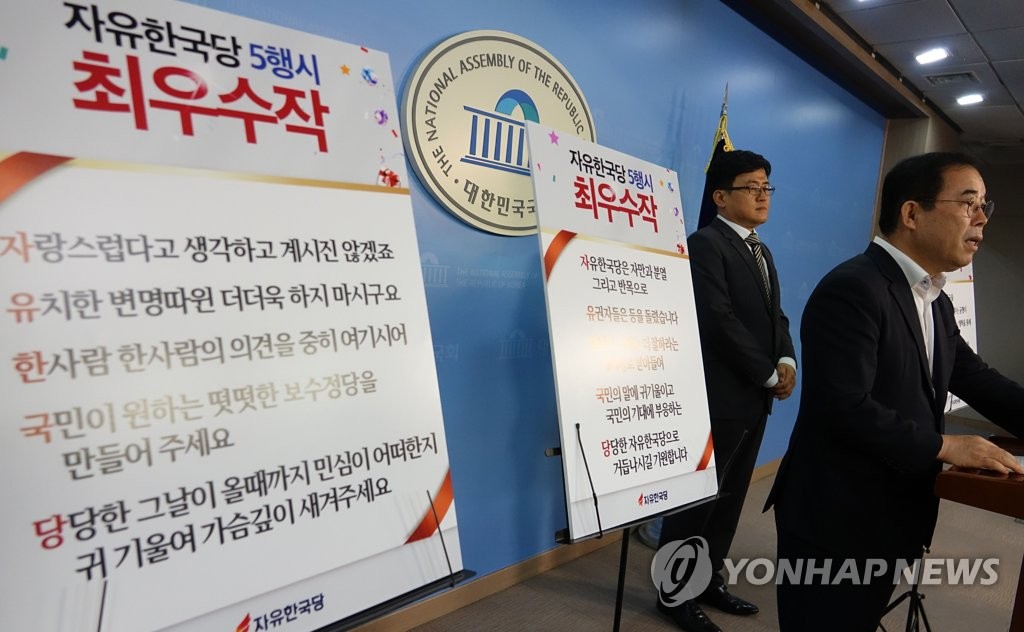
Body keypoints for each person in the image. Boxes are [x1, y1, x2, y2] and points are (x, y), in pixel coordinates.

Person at [766, 151, 1024, 631]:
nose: (982, 218)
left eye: (985, 205)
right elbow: (845, 406)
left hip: (892, 510)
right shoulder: (853, 288)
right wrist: (946, 445)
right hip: (837, 516)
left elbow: (975, 376)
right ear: (911, 213)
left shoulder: (934, 298)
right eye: (968, 203)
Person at [657, 149, 796, 632]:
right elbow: (717, 319)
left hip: (754, 399)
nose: (763, 196)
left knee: (730, 498)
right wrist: (766, 373)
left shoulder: (761, 249)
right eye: (751, 187)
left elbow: (776, 316)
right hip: (718, 397)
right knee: (696, 502)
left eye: (766, 187)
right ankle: (672, 594)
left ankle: (706, 578)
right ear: (720, 196)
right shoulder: (705, 244)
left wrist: (786, 359)